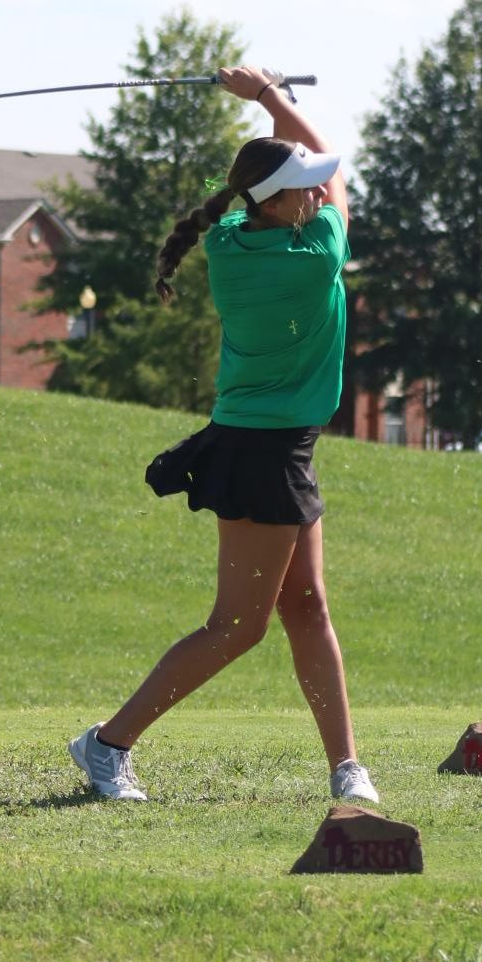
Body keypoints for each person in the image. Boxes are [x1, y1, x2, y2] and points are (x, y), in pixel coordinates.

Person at [69, 64, 378, 806]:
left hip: (269, 444)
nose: (316, 189)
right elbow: (333, 178)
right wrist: (269, 96)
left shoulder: (234, 242)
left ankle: (346, 767)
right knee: (237, 626)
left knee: (307, 606)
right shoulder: (316, 256)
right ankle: (107, 744)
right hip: (261, 453)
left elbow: (281, 173)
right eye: (304, 185)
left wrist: (272, 118)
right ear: (287, 204)